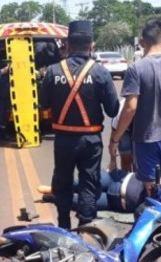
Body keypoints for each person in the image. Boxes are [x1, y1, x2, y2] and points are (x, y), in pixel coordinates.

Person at [40, 20, 119, 229]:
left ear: (68, 44)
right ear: (91, 44)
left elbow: (42, 105)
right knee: (88, 184)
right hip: (91, 141)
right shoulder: (100, 72)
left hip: (64, 140)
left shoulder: (52, 71)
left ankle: (63, 225)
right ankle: (86, 227)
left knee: (63, 183)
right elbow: (113, 110)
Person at [110, 17, 161, 211]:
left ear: (141, 42)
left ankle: (152, 227)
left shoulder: (136, 68)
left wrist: (116, 137)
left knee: (149, 185)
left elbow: (130, 108)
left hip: (145, 138)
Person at [37, 170, 161, 213]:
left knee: (83, 202)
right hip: (116, 178)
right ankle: (55, 188)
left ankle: (53, 197)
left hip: (115, 201)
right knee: (85, 183)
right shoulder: (160, 177)